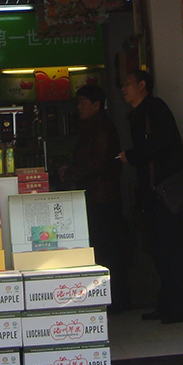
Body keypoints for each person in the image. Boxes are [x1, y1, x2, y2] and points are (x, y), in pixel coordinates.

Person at [119, 70, 183, 324]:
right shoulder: (139, 113)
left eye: (128, 84)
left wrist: (132, 155)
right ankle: (167, 304)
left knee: (172, 250)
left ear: (142, 85)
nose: (123, 89)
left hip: (167, 193)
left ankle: (179, 307)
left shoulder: (155, 108)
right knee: (160, 252)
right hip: (154, 195)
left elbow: (161, 143)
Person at [60, 85, 131, 313]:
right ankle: (112, 298)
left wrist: (71, 174)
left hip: (103, 198)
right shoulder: (92, 127)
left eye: (83, 102)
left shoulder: (102, 129)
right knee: (104, 249)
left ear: (96, 105)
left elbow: (98, 163)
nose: (79, 107)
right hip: (96, 196)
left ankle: (116, 300)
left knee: (107, 250)